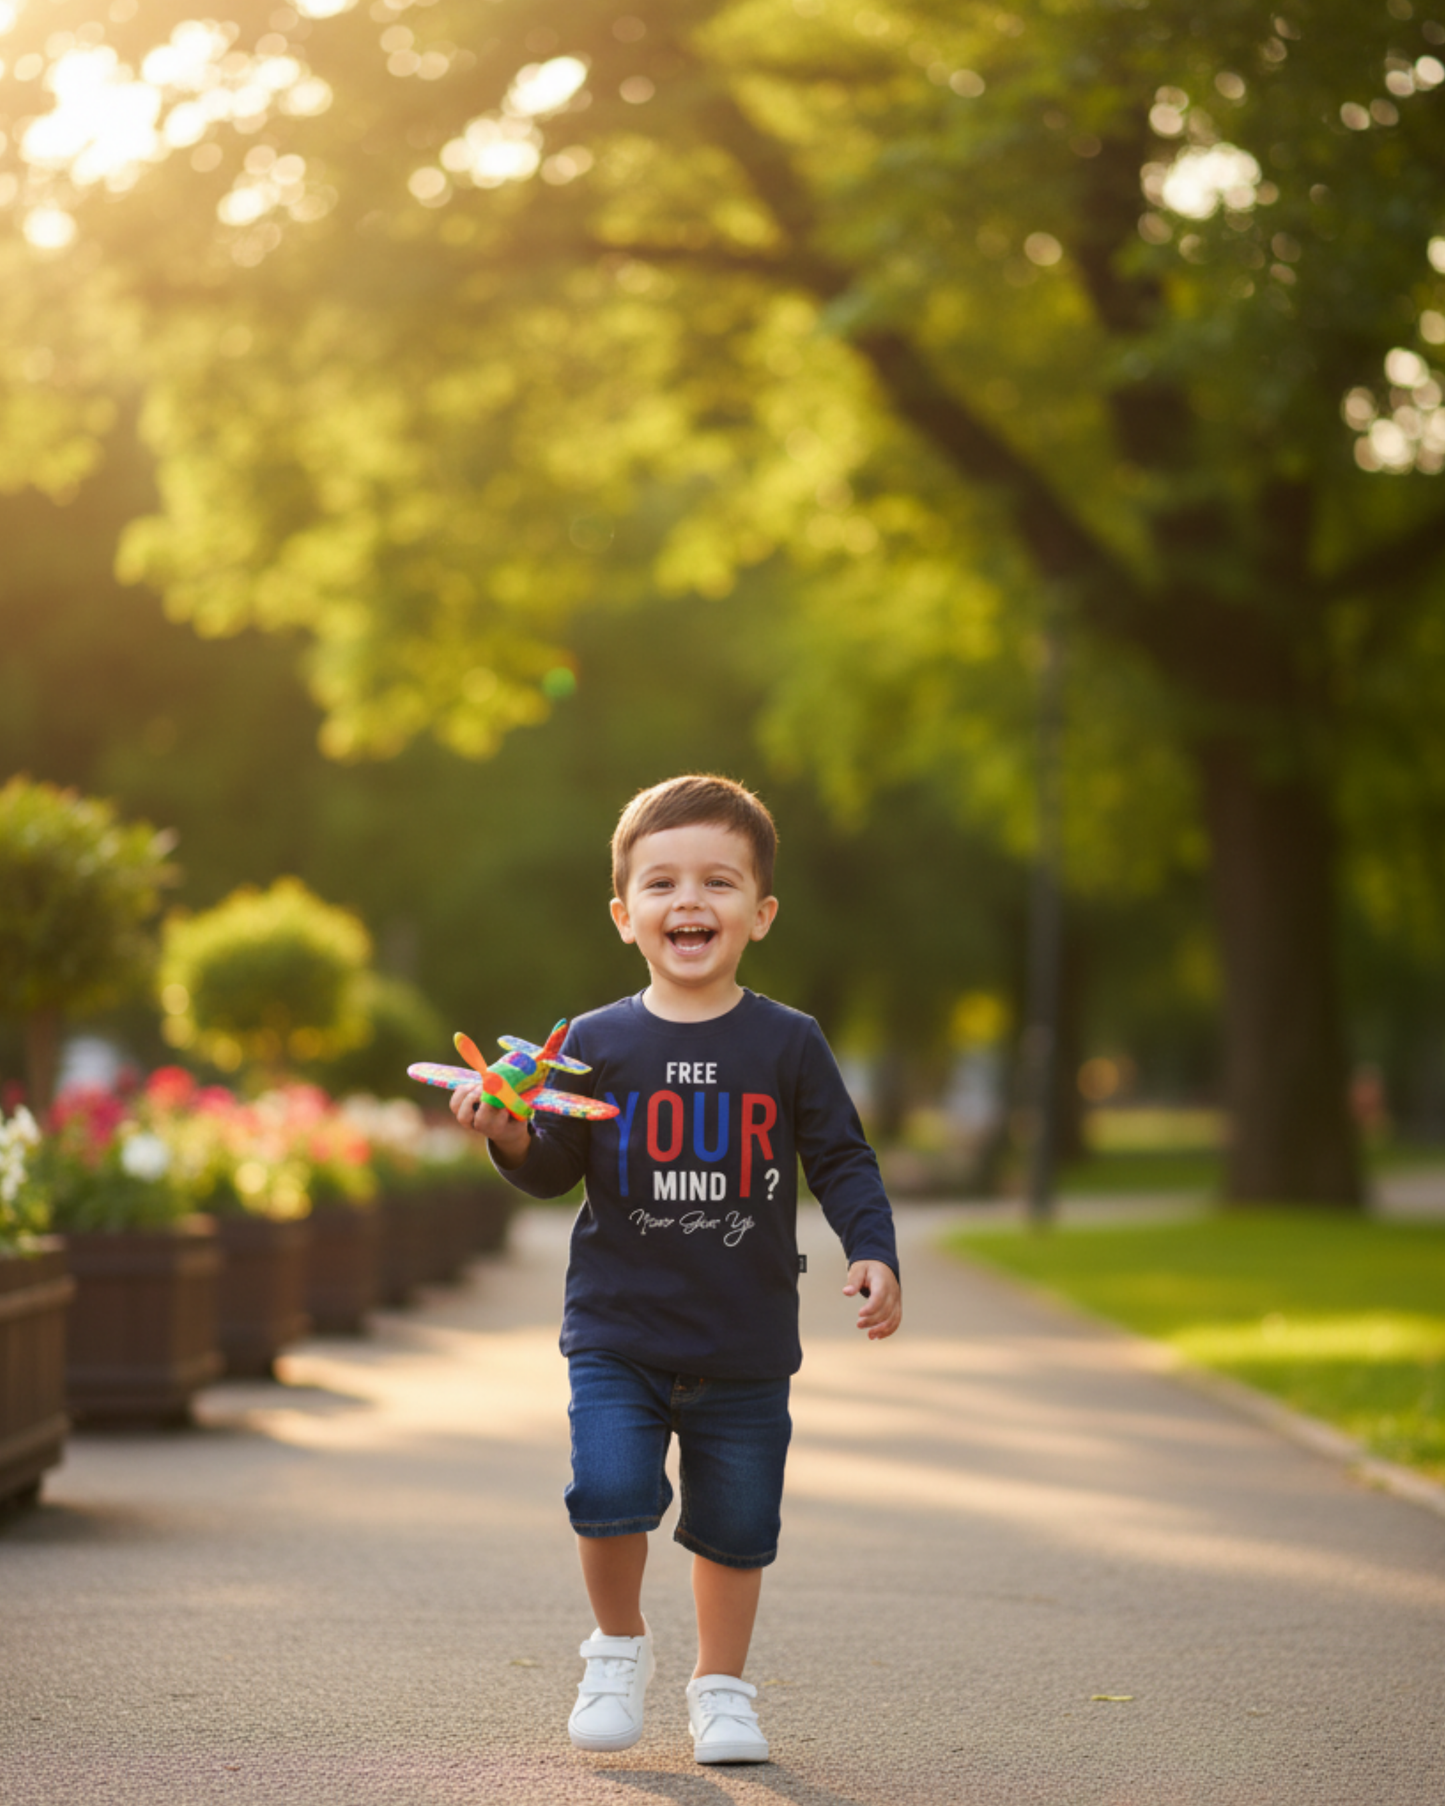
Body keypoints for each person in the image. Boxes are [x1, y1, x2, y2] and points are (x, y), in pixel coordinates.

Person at [450, 773, 901, 1766]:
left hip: (742, 1341)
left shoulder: (789, 1043)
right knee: (607, 1491)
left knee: (735, 1526)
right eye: (660, 884)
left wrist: (871, 1250)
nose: (688, 902)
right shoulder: (592, 1044)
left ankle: (720, 1688)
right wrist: (512, 1134)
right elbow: (554, 1169)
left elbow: (840, 1160)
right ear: (624, 916)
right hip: (617, 1331)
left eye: (717, 883)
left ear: (760, 912)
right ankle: (616, 1649)